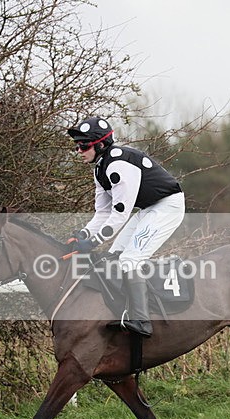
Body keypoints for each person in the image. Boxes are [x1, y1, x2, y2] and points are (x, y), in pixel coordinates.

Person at [67, 116, 185, 337]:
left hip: (167, 207)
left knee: (130, 260)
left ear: (101, 144)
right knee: (113, 257)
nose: (79, 150)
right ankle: (123, 311)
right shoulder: (100, 168)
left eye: (84, 145)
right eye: (77, 146)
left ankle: (142, 320)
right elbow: (102, 213)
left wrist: (92, 242)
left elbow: (119, 215)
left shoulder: (118, 165)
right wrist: (83, 234)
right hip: (149, 208)